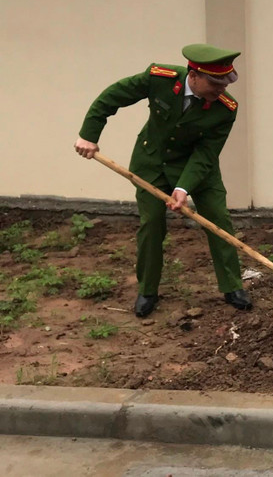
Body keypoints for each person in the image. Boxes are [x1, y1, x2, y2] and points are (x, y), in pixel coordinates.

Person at [74, 43, 252, 318]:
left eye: (225, 83)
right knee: (152, 224)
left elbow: (206, 153)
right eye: (215, 83)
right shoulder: (160, 78)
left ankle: (231, 286)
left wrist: (183, 187)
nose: (222, 90)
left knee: (219, 220)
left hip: (197, 167)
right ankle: (148, 290)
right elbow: (112, 97)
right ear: (193, 76)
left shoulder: (226, 109)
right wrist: (89, 134)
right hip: (152, 163)